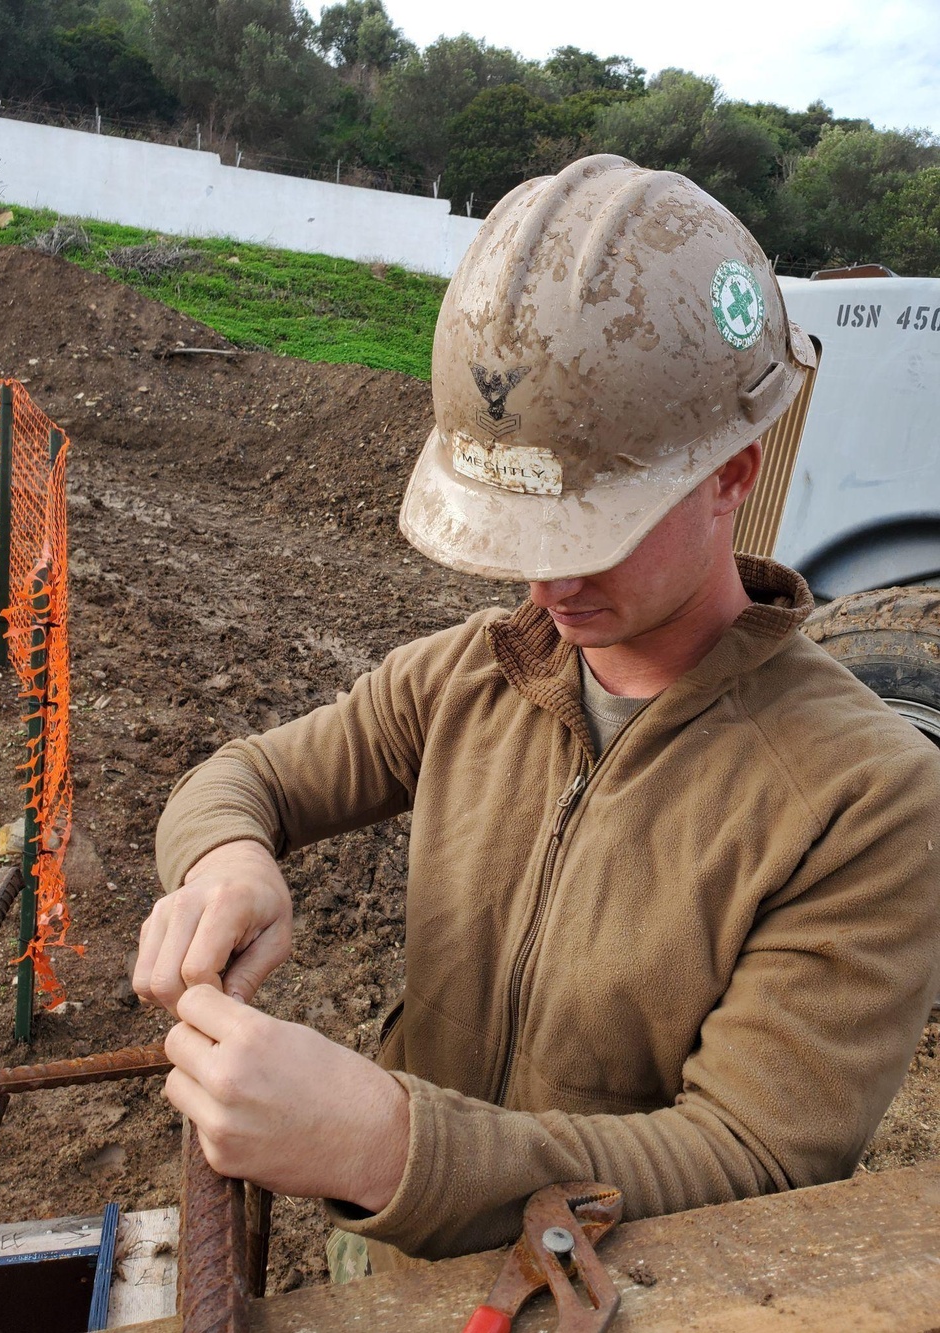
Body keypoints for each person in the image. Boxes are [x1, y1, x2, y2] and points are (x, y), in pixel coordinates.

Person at [133, 156, 940, 1267]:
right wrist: (226, 859)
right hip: (394, 1265)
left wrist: (388, 1145)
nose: (545, 587)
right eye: (518, 537)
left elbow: (756, 1158)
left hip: (608, 1290)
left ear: (730, 472)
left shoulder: (865, 797)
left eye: (588, 528)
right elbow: (246, 777)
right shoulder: (475, 675)